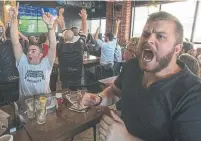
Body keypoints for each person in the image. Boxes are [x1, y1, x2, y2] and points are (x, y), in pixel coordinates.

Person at [81, 11, 201, 141]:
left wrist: (126, 139)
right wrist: (99, 98)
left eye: (160, 36)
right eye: (146, 34)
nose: (149, 40)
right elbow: (115, 92)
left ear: (177, 49)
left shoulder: (193, 93)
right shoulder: (133, 65)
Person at [9, 3, 56, 98]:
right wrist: (14, 19)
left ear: (41, 54)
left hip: (44, 104)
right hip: (26, 106)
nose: (29, 52)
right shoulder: (23, 63)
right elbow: (15, 42)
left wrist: (50, 26)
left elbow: (53, 46)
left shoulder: (46, 64)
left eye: (33, 51)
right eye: (29, 51)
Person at [57, 9, 87, 89]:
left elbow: (63, 26)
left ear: (63, 37)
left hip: (65, 78)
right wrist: (84, 17)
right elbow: (84, 31)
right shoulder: (79, 45)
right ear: (74, 37)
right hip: (77, 77)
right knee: (78, 95)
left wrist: (60, 14)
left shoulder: (59, 46)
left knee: (65, 94)